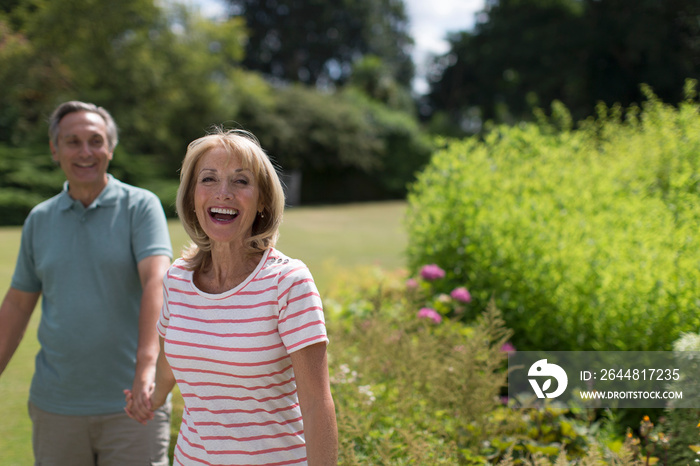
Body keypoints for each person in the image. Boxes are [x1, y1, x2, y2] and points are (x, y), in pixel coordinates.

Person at [125, 129, 338, 465]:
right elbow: (172, 358)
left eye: (241, 181)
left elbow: (316, 403)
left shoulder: (288, 282)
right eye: (208, 179)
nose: (223, 193)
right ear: (193, 196)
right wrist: (151, 397)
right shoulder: (177, 279)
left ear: (263, 199)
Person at [0, 101, 173, 465]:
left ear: (110, 147)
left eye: (95, 141)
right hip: (56, 407)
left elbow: (156, 281)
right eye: (72, 141)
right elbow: (17, 304)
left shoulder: (141, 207)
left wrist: (146, 367)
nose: (85, 152)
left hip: (133, 402)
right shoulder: (39, 220)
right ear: (54, 149)